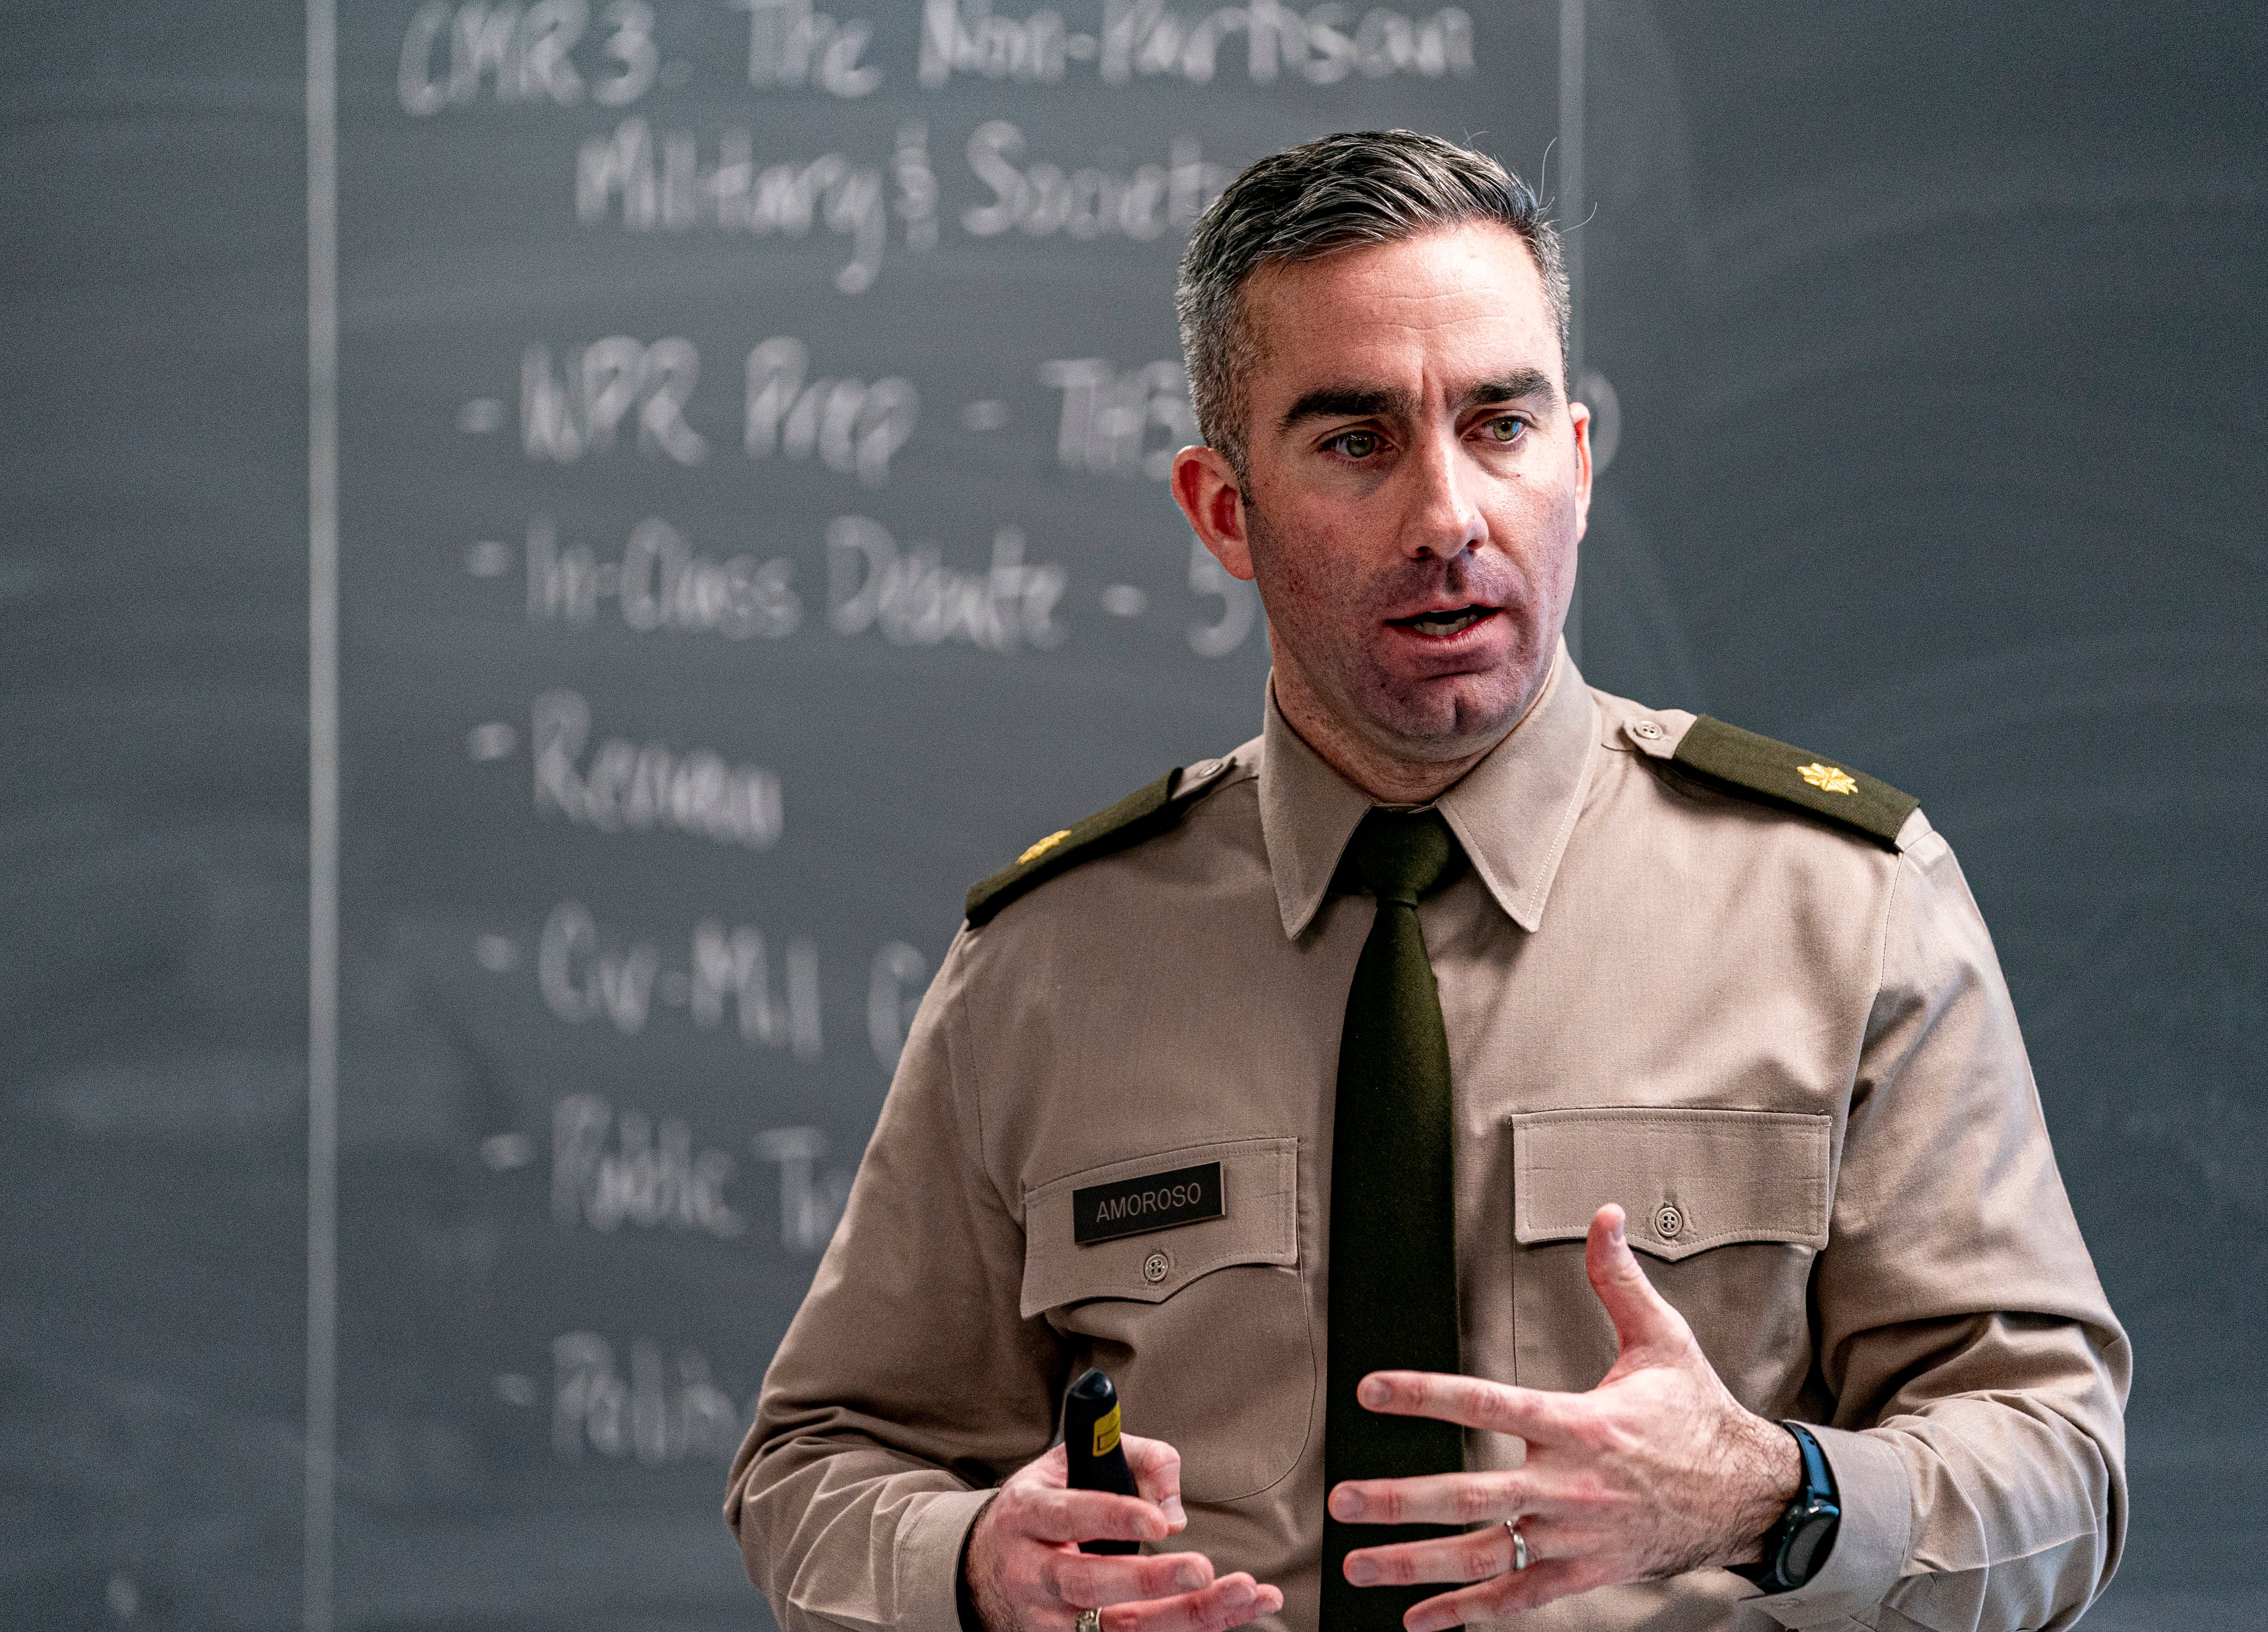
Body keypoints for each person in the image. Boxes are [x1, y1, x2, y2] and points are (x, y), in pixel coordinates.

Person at [728, 131, 2127, 1632]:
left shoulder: (1842, 907)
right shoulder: (1051, 965)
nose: (1450, 516)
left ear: (1577, 466)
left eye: (1501, 426)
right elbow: (818, 1462)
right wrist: (972, 1568)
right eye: (1355, 442)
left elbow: (2058, 1469)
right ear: (1221, 510)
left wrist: (1769, 1492)